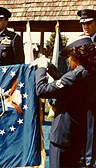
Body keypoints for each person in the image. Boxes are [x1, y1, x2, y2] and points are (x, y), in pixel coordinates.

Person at [31, 36, 96, 168]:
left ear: (75, 56)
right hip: (77, 136)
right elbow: (65, 84)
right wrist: (50, 67)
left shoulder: (75, 75)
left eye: (69, 56)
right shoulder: (89, 73)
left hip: (62, 138)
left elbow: (42, 90)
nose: (68, 60)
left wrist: (41, 68)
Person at [77, 9, 96, 167]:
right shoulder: (81, 42)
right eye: (83, 23)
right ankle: (82, 158)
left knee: (91, 129)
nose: (85, 26)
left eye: (88, 23)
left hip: (94, 95)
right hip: (81, 94)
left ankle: (89, 161)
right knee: (82, 128)